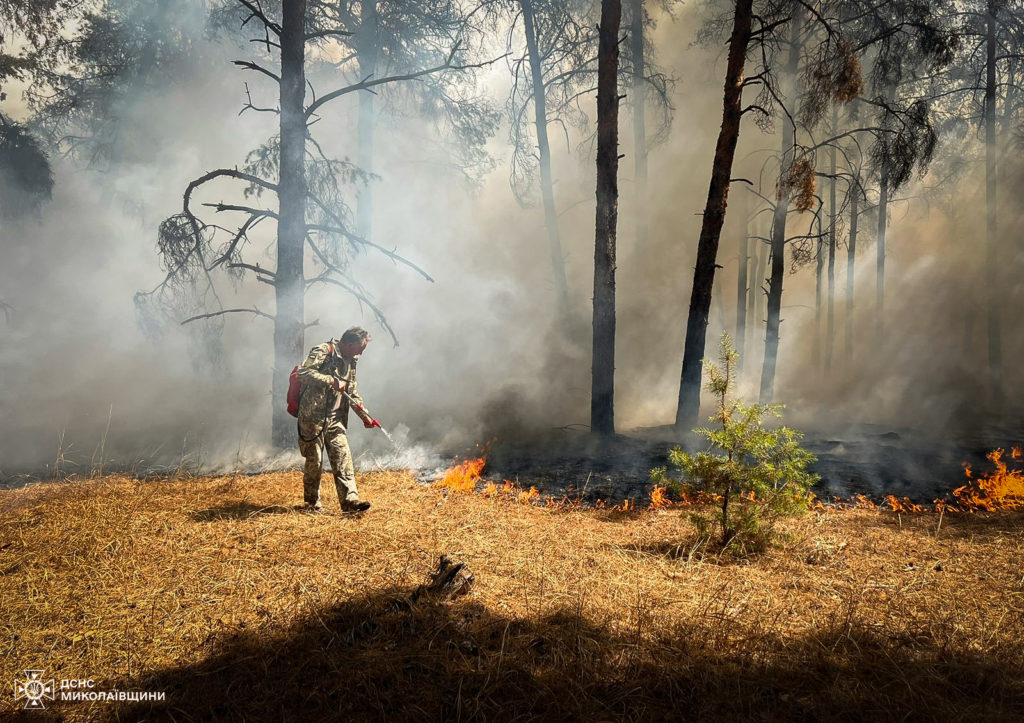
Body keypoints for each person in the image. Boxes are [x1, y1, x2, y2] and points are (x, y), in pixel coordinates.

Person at [295, 326, 381, 513]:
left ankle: (351, 502)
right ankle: (312, 504)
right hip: (312, 417)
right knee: (314, 461)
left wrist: (364, 415)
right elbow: (303, 373)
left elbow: (352, 392)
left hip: (336, 419)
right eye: (361, 349)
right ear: (349, 344)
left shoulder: (352, 360)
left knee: (343, 457)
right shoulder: (323, 351)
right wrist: (331, 381)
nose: (361, 354)